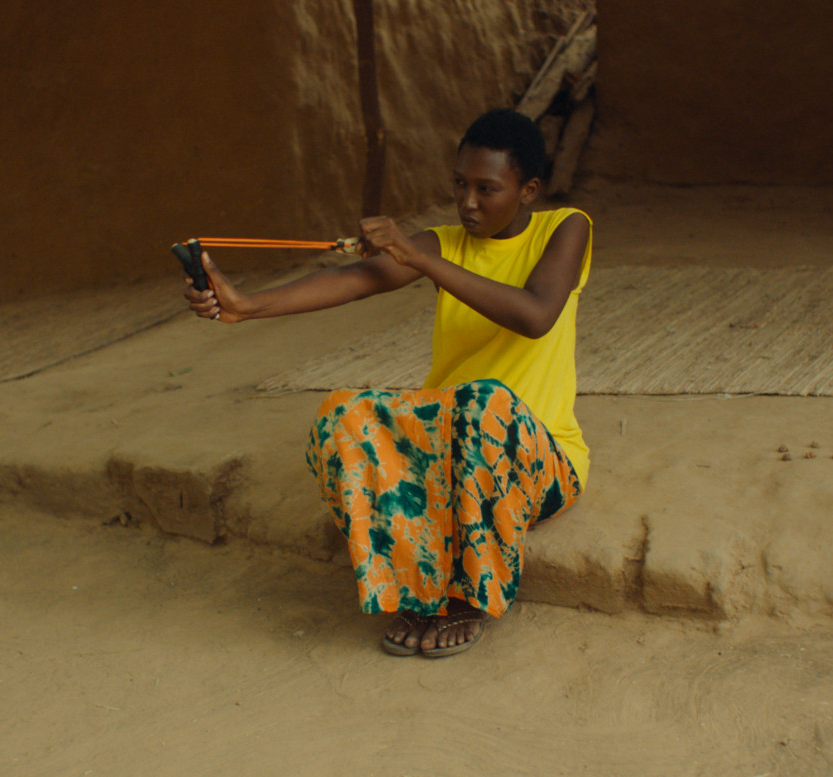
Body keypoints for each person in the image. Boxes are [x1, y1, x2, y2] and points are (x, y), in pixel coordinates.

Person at [184, 108, 592, 657]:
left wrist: (420, 259)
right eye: (460, 185)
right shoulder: (443, 243)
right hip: (448, 458)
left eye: (486, 188)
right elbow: (356, 279)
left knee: (482, 402)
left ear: (528, 189)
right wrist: (245, 306)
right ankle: (418, 595)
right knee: (344, 415)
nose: (468, 202)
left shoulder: (565, 227)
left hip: (536, 463)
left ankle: (470, 598)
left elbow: (535, 314)